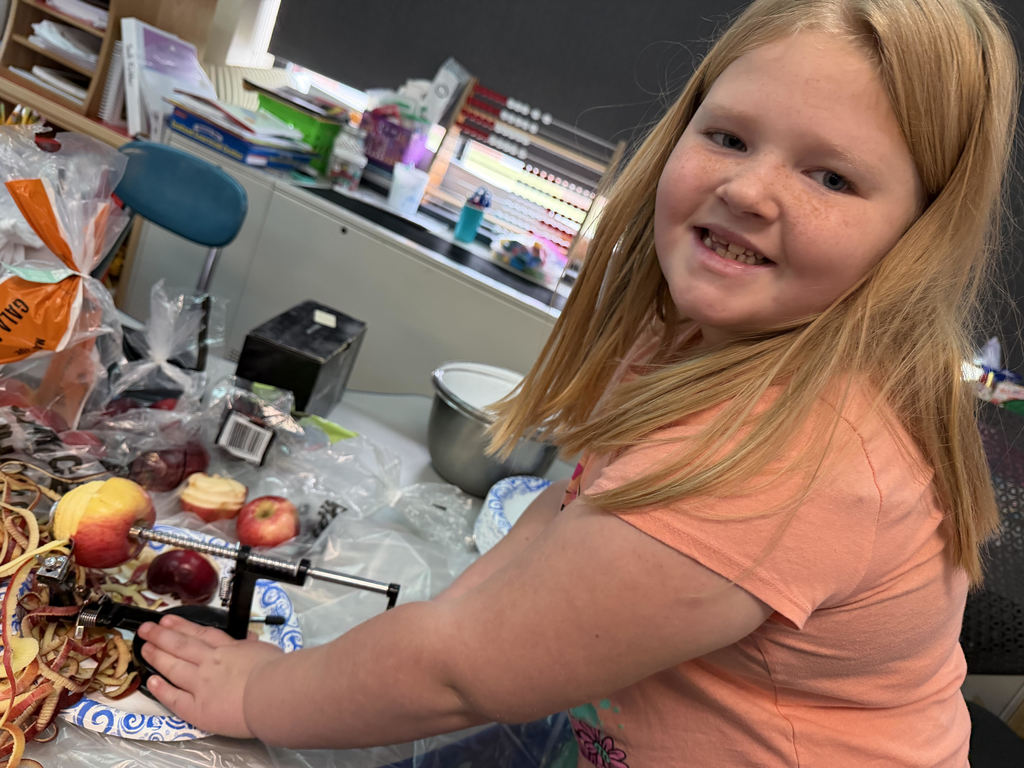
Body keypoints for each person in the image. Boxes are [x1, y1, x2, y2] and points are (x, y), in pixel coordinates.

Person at [137, 0, 1021, 765]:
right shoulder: (688, 331)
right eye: (728, 136)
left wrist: (265, 697)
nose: (750, 189)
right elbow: (566, 511)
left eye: (831, 176)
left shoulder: (792, 462)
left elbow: (459, 676)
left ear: (919, 233)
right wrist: (457, 627)